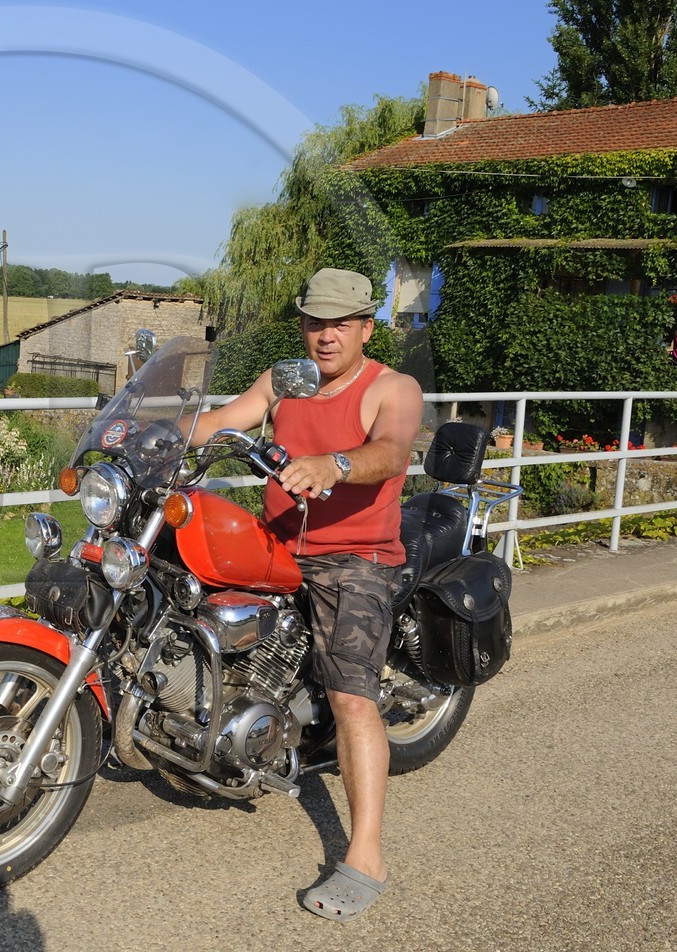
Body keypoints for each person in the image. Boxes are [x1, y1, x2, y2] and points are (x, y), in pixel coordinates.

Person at [190, 267, 424, 921]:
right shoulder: (287, 377)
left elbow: (392, 451)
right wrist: (158, 431)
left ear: (365, 328)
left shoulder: (391, 388)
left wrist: (336, 464)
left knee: (352, 694)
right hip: (280, 540)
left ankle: (366, 854)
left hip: (356, 557)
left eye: (339, 323)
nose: (325, 335)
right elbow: (227, 419)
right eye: (315, 321)